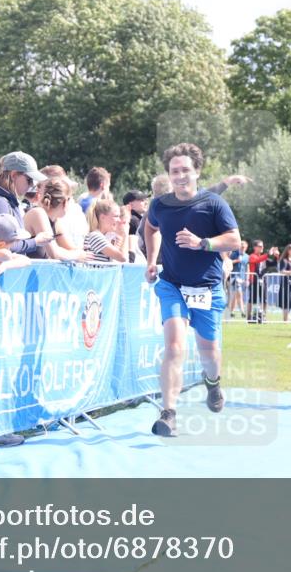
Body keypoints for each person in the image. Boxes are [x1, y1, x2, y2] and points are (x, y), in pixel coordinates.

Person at [144, 143, 240, 436]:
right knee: (174, 346)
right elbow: (150, 228)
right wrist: (151, 260)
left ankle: (213, 383)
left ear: (197, 171)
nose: (180, 175)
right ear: (168, 174)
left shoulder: (213, 204)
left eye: (186, 169)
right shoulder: (160, 205)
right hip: (172, 285)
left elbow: (234, 240)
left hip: (207, 289)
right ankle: (168, 413)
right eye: (175, 171)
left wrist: (204, 243)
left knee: (208, 353)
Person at [0, 151, 47, 256]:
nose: (32, 186)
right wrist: (36, 242)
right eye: (29, 180)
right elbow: (4, 246)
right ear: (14, 175)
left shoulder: (2, 201)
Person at [83, 198, 130, 262]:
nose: (119, 220)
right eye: (116, 216)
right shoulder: (95, 236)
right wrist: (125, 234)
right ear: (102, 217)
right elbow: (123, 258)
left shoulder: (106, 238)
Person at [227, 241, 249, 318]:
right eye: (241, 247)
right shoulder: (234, 254)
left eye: (244, 247)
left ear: (246, 248)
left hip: (242, 278)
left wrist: (247, 279)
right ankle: (242, 311)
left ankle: (232, 311)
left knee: (236, 295)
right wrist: (237, 260)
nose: (242, 248)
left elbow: (247, 267)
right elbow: (228, 262)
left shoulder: (246, 256)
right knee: (239, 293)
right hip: (234, 277)